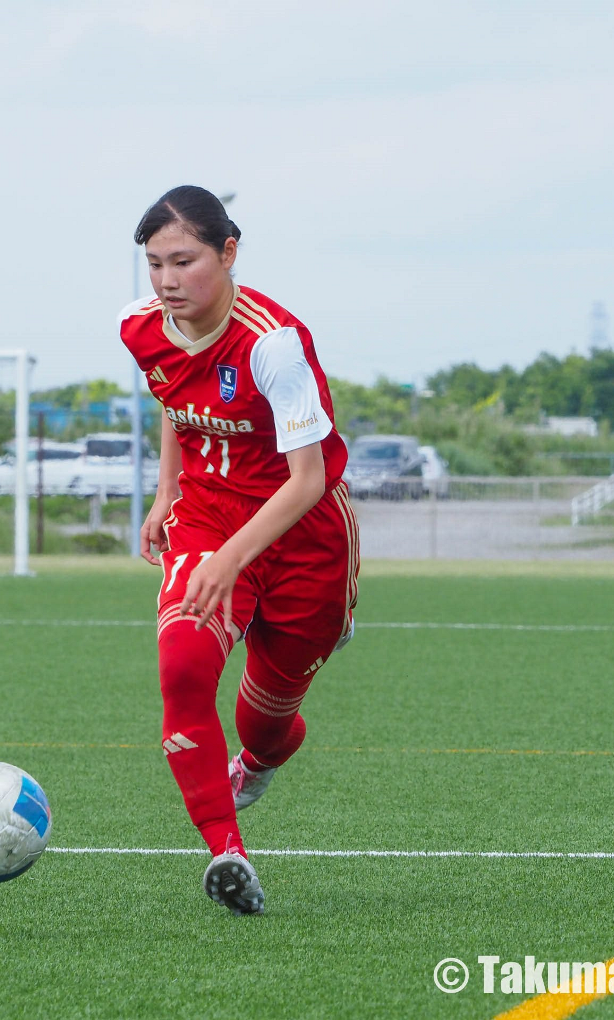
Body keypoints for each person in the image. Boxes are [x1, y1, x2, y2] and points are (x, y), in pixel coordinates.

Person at [119, 187, 359, 914]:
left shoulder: (274, 343)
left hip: (305, 534)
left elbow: (308, 479)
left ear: (228, 253)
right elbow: (175, 402)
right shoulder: (141, 331)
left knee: (268, 722)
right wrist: (167, 492)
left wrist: (233, 560)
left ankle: (257, 760)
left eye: (183, 261)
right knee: (183, 667)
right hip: (207, 518)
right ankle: (227, 853)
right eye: (154, 264)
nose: (166, 280)